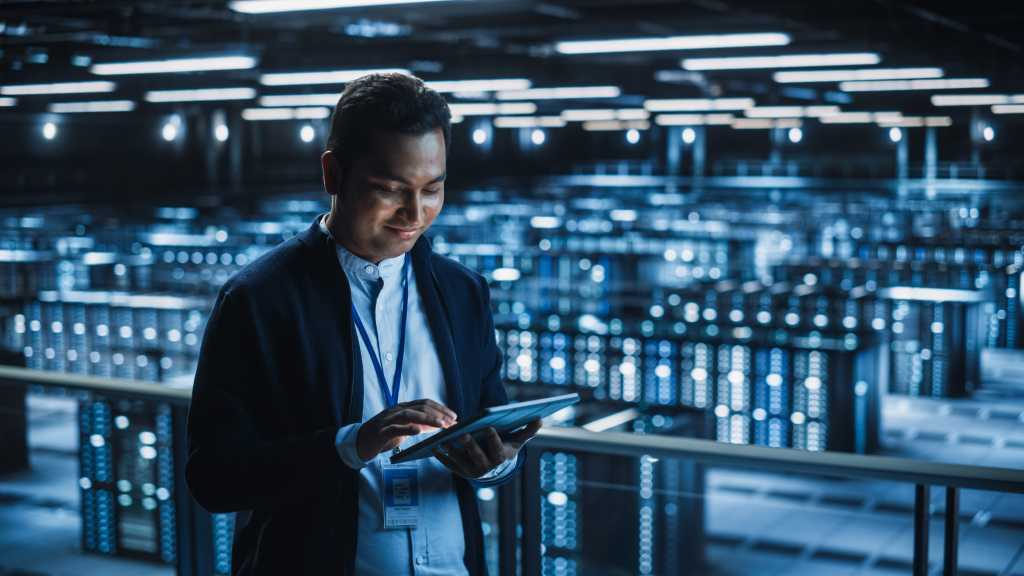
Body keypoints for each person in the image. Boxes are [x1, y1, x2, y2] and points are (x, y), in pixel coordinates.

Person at [185, 72, 541, 575]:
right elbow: (214, 478)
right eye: (390, 189)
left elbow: (491, 422)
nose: (414, 214)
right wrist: (351, 445)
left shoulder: (464, 293)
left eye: (432, 189)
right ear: (333, 174)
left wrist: (497, 461)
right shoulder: (258, 299)